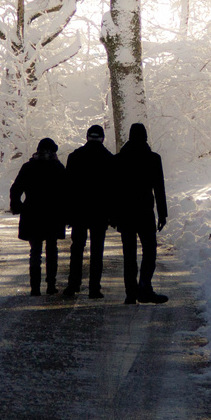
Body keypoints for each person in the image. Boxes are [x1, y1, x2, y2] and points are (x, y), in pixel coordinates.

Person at [114, 122, 168, 305]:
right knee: (149, 252)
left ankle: (130, 293)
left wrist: (112, 215)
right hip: (145, 212)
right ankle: (145, 288)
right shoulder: (153, 159)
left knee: (129, 254)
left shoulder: (119, 159)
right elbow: (159, 188)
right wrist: (162, 214)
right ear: (145, 136)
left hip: (125, 213)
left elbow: (112, 191)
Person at [62, 124, 115, 298]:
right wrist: (112, 214)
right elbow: (114, 190)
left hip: (79, 212)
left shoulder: (75, 157)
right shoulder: (109, 159)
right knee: (97, 250)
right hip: (100, 212)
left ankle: (73, 284)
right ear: (102, 138)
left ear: (87, 137)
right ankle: (94, 288)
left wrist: (67, 213)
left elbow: (67, 188)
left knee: (77, 248)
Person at [9, 138, 67, 295]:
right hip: (53, 216)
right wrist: (66, 213)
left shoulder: (28, 167)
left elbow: (15, 189)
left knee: (35, 251)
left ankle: (35, 287)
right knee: (51, 250)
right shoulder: (58, 168)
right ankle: (51, 285)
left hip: (32, 215)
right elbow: (66, 193)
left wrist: (17, 207)